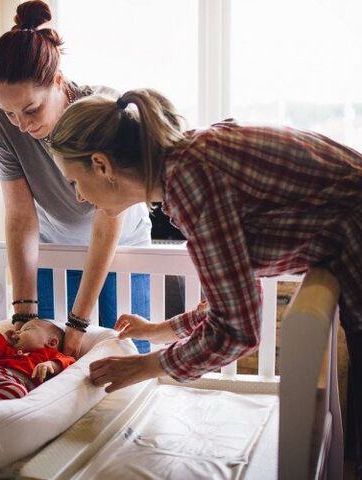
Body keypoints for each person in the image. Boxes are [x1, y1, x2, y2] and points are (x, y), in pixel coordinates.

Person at [47, 88, 362, 474]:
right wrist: (164, 329)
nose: (79, 197)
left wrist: (145, 366)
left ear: (101, 165)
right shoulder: (190, 162)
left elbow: (237, 331)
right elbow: (233, 295)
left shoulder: (192, 182)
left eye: (73, 182)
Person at [0, 0, 152, 357]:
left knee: (125, 347)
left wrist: (78, 323)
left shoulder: (101, 111)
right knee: (43, 351)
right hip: (54, 240)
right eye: (9, 112)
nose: (22, 124)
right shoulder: (2, 124)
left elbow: (108, 218)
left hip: (120, 238)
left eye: (31, 110)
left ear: (58, 82)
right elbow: (19, 216)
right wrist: (23, 312)